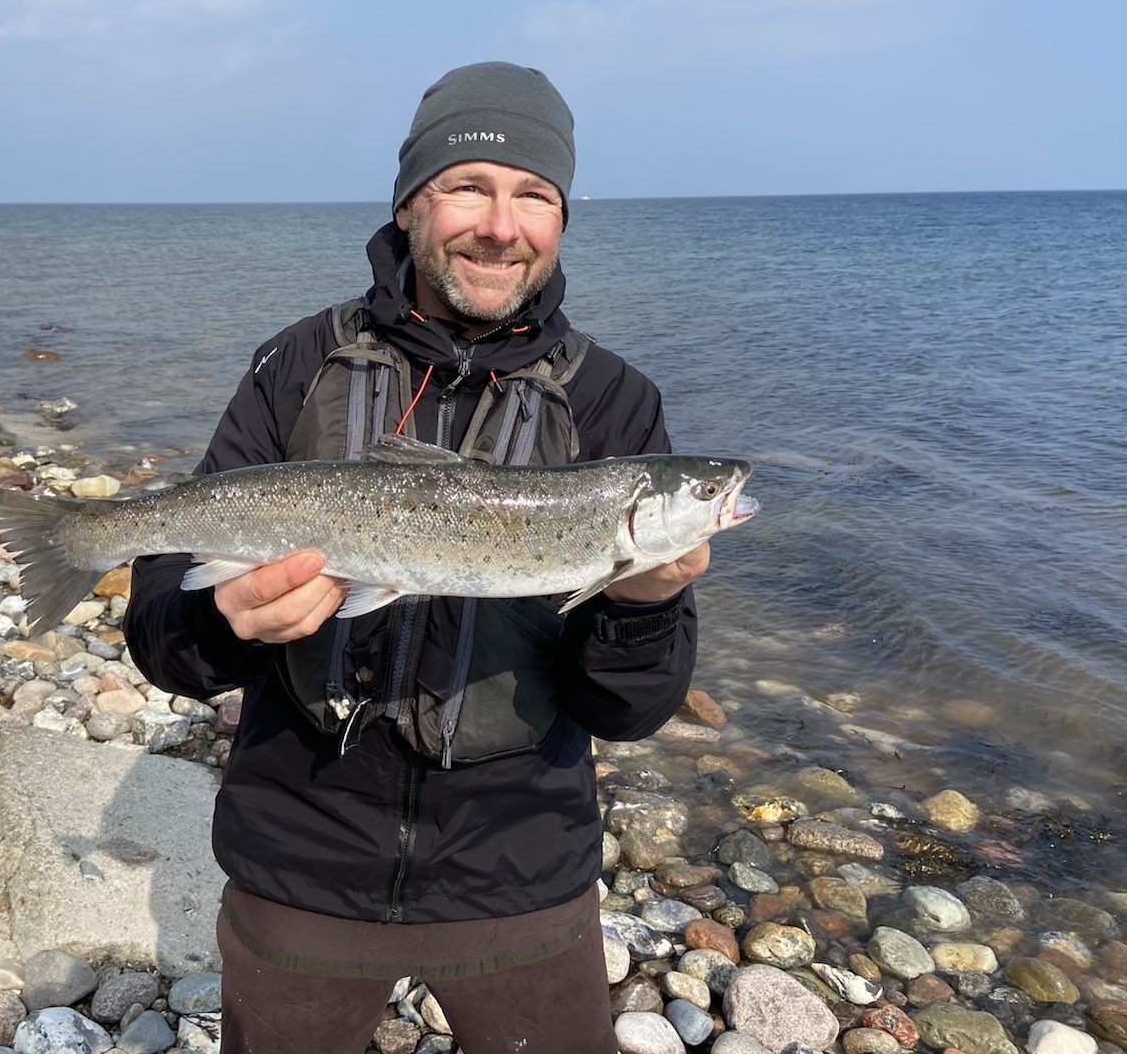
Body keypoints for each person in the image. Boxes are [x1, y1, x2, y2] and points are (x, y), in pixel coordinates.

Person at [123, 61, 711, 1054]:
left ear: (562, 219)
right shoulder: (295, 364)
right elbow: (162, 645)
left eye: (535, 195)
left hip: (521, 872)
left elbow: (630, 711)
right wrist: (220, 621)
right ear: (409, 207)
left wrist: (644, 607)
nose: (501, 223)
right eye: (468, 186)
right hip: (299, 859)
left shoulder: (615, 401)